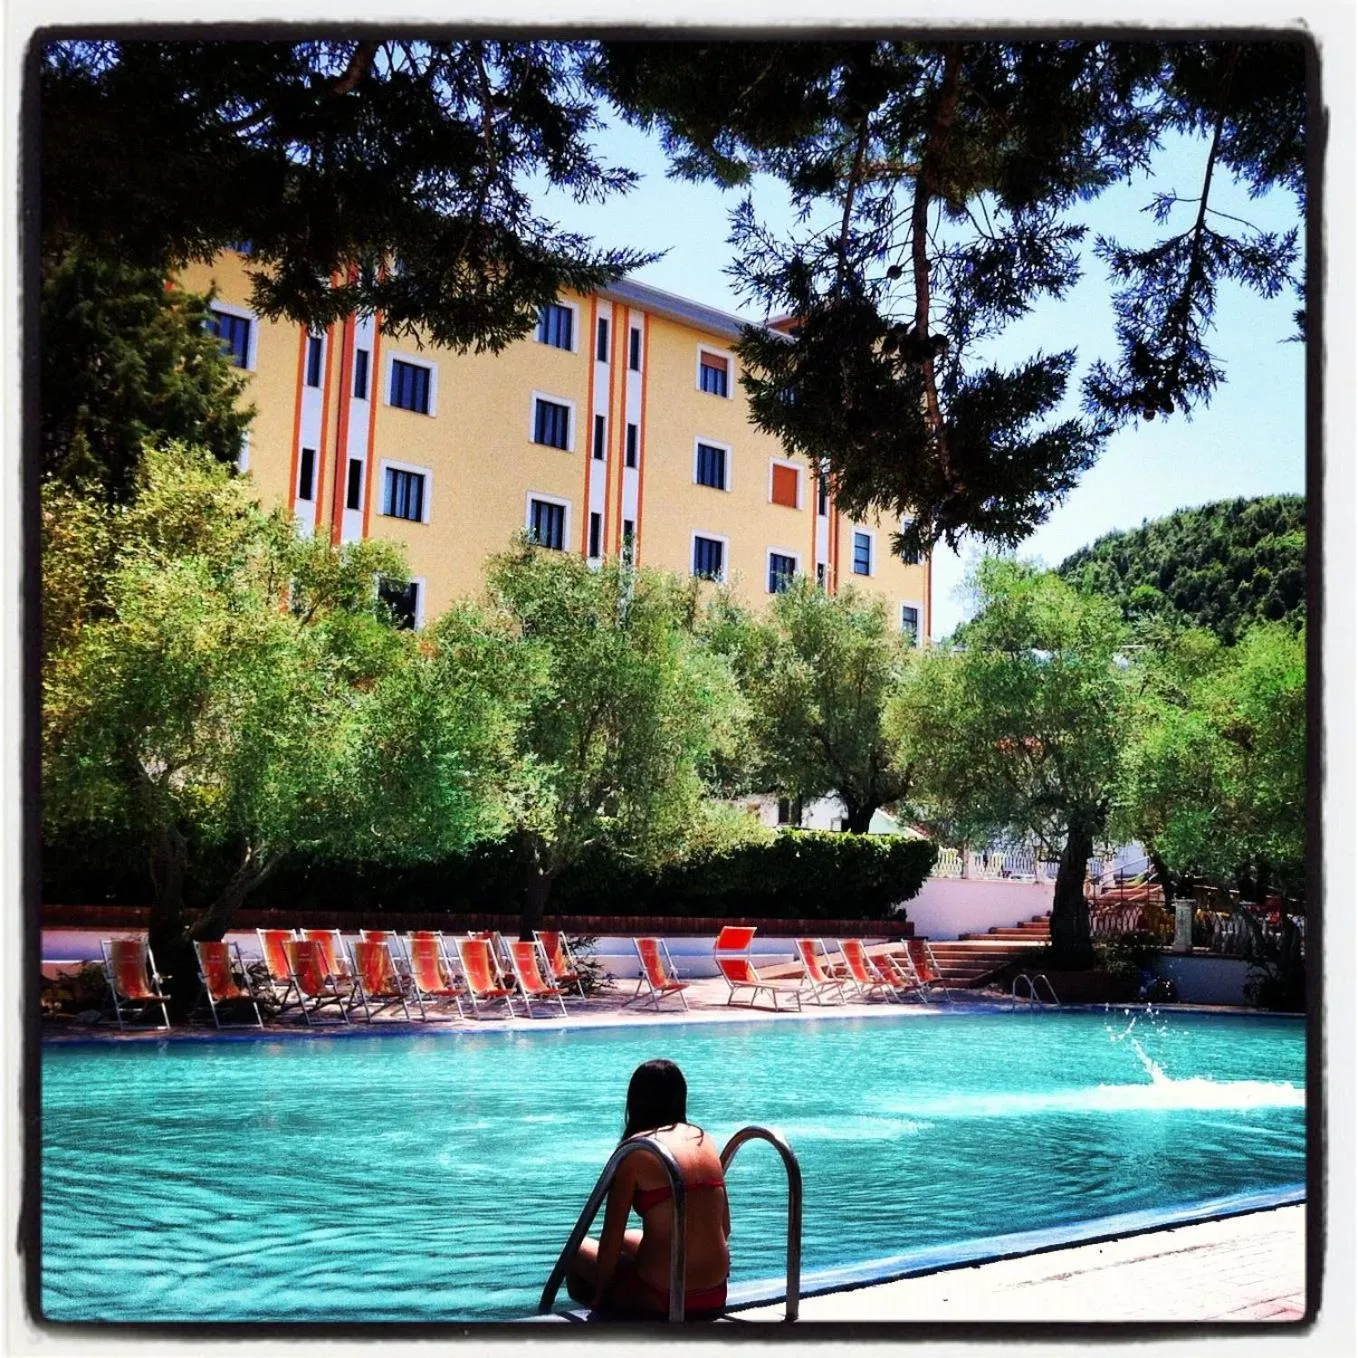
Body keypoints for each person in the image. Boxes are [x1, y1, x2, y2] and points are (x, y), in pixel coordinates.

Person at [566, 1059, 730, 1321]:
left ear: (636, 1102)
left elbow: (609, 1241)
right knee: (633, 1238)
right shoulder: (703, 1139)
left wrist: (600, 1291)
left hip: (664, 1298)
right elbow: (725, 1228)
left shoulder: (637, 1150)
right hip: (715, 1292)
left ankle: (601, 1317)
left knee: (576, 1250)